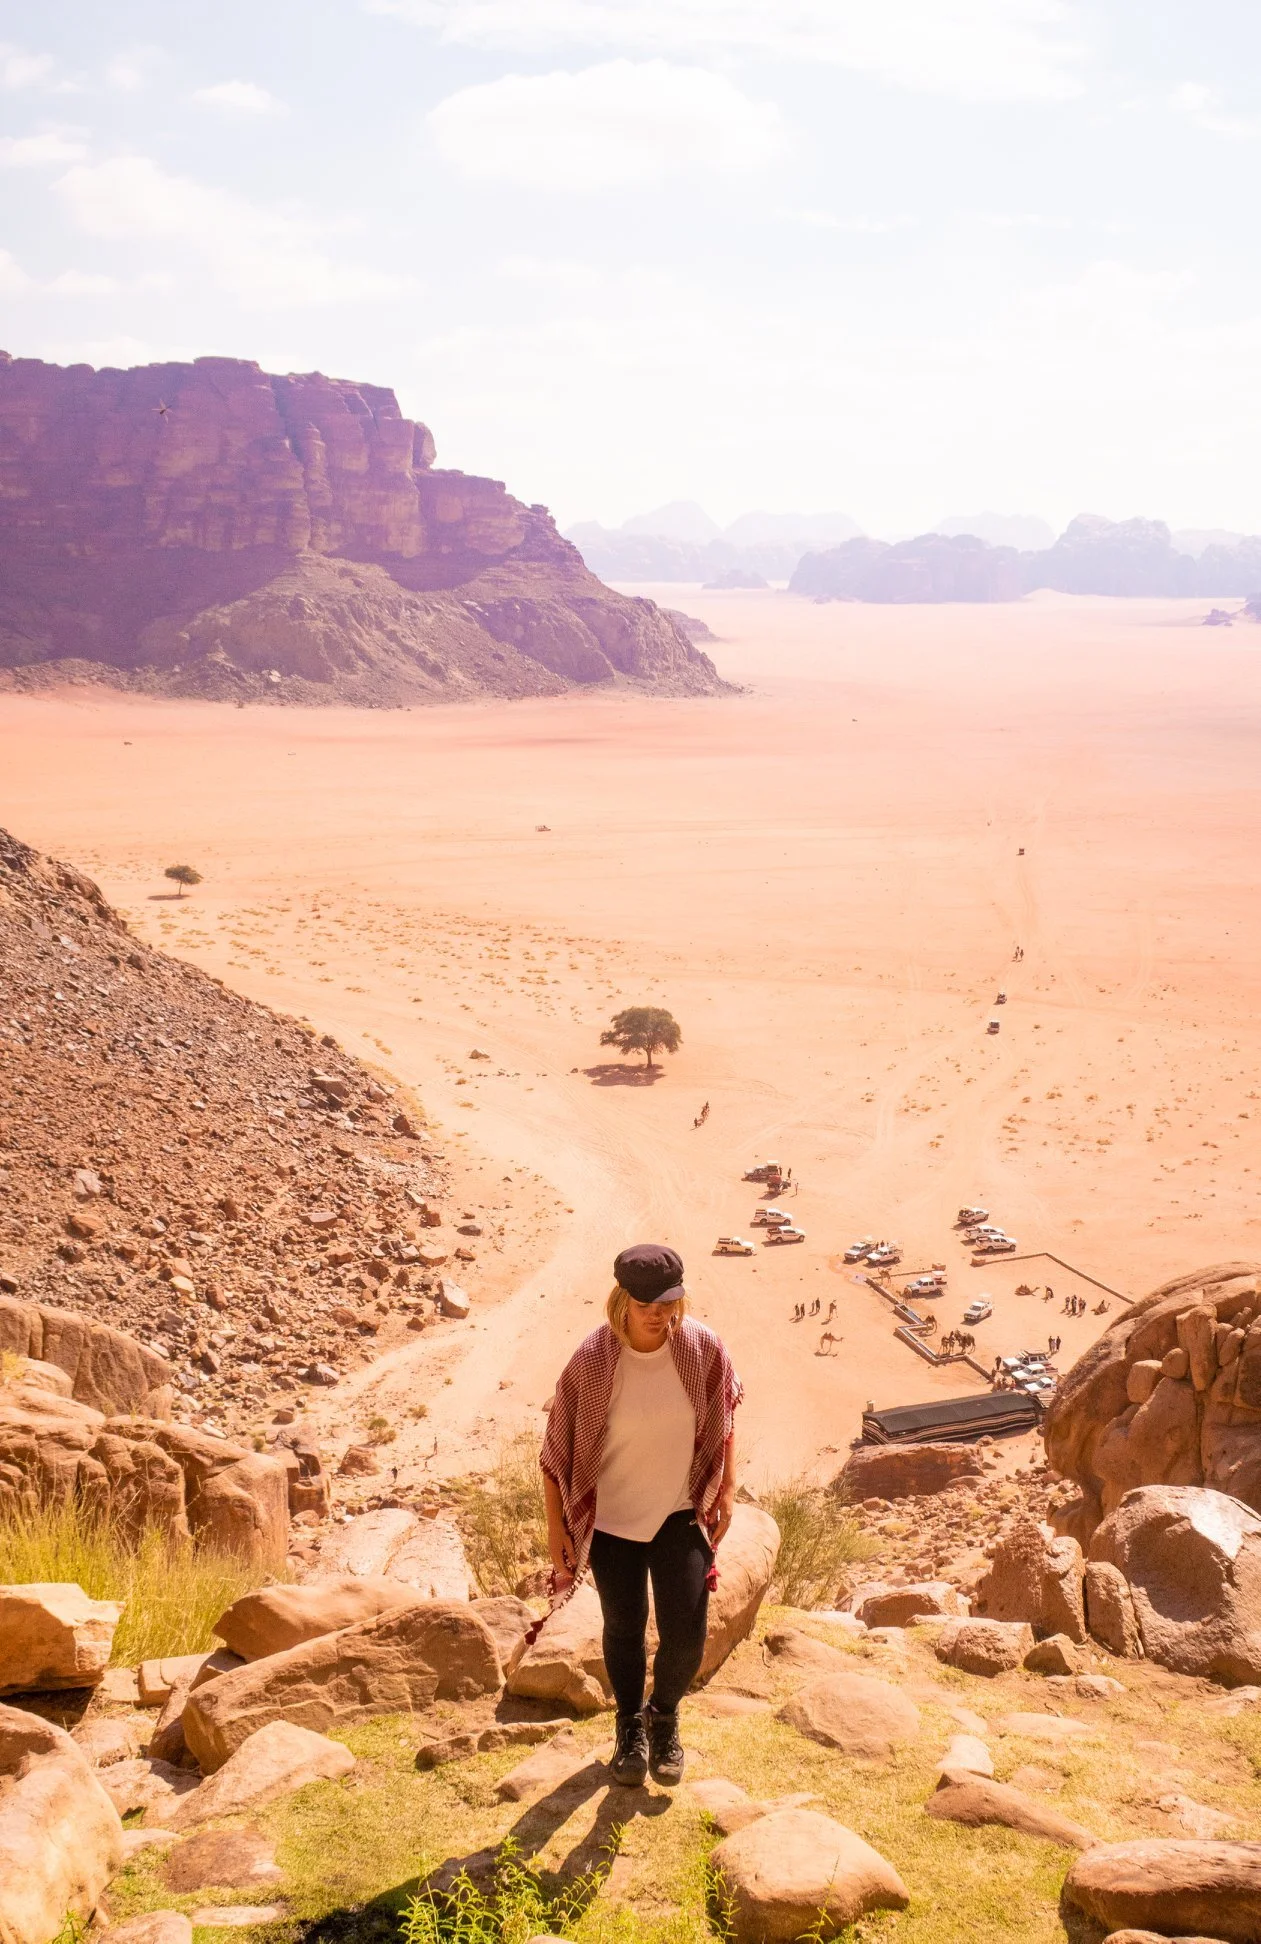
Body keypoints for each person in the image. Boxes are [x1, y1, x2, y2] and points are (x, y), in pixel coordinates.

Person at [540, 1243, 741, 1790]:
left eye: (669, 1300)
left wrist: (726, 1485)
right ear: (622, 1298)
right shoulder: (592, 1359)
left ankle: (663, 1715)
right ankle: (629, 1728)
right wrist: (557, 1527)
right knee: (623, 1629)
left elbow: (724, 1415)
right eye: (646, 1301)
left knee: (688, 1633)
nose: (659, 1312)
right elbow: (556, 1449)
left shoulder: (702, 1347)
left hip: (679, 1511)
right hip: (613, 1521)